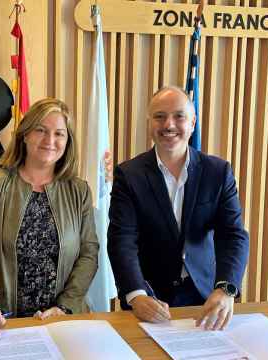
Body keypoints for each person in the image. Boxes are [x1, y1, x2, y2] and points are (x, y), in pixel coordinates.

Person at [108, 86, 249, 330]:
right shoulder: (129, 175)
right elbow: (122, 240)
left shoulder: (218, 172)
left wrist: (226, 289)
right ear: (150, 123)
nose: (169, 124)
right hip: (149, 299)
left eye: (179, 116)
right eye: (160, 116)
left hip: (207, 297)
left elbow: (233, 235)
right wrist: (136, 294)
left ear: (192, 123)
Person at [0, 98, 99, 336]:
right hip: (4, 322)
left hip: (62, 321)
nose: (50, 141)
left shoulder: (79, 191)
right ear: (25, 135)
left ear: (67, 142)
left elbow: (88, 253)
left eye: (59, 134)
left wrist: (64, 307)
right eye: (41, 130)